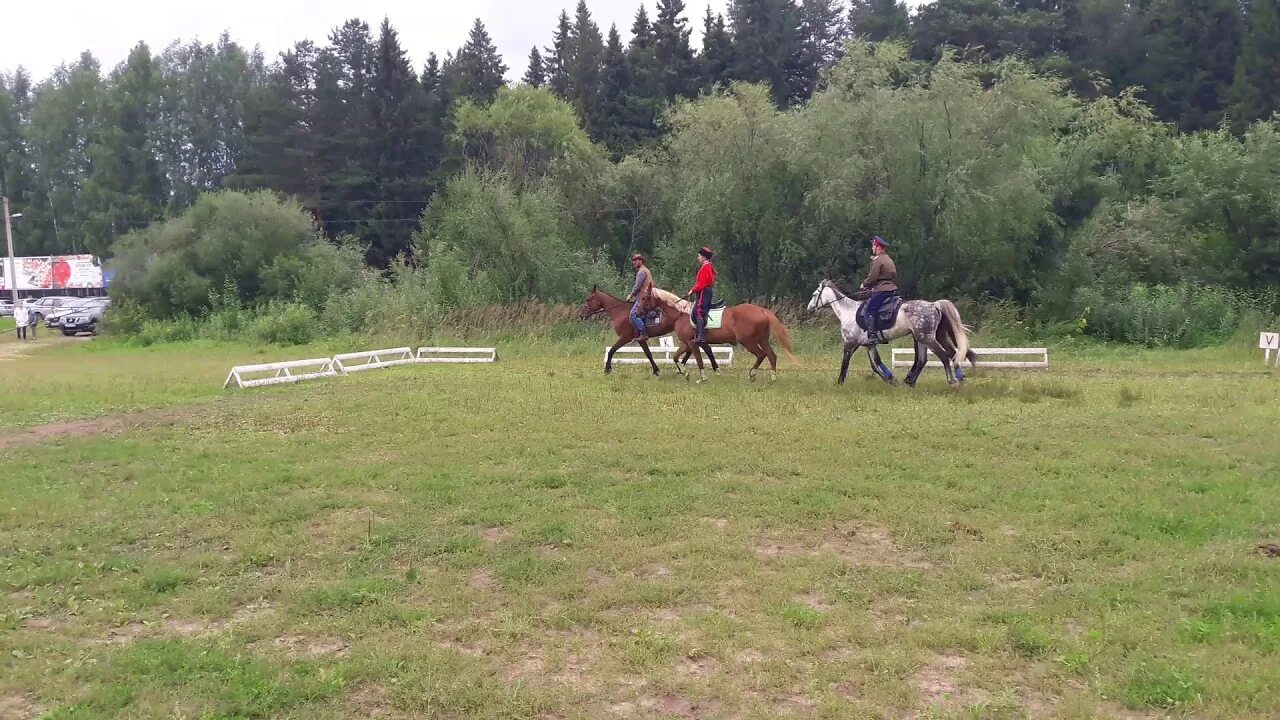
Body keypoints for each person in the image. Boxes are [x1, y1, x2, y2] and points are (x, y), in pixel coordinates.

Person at [859, 235, 898, 343]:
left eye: (873, 246)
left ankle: (872, 335)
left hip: (881, 290)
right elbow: (894, 275)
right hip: (891, 289)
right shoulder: (889, 259)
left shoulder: (878, 260)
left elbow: (873, 277)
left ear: (878, 247)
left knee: (869, 310)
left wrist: (864, 285)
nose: (872, 249)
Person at [687, 246, 716, 343]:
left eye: (699, 256)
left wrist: (692, 290)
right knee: (699, 311)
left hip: (703, 291)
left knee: (698, 311)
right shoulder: (709, 266)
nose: (698, 258)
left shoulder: (705, 267)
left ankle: (700, 336)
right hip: (706, 291)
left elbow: (702, 283)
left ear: (704, 257)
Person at [625, 253, 654, 341]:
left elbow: (637, 286)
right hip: (646, 295)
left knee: (633, 315)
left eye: (636, 260)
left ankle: (643, 333)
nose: (634, 262)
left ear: (641, 261)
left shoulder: (641, 272)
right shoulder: (646, 270)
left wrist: (631, 295)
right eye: (633, 261)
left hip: (643, 297)